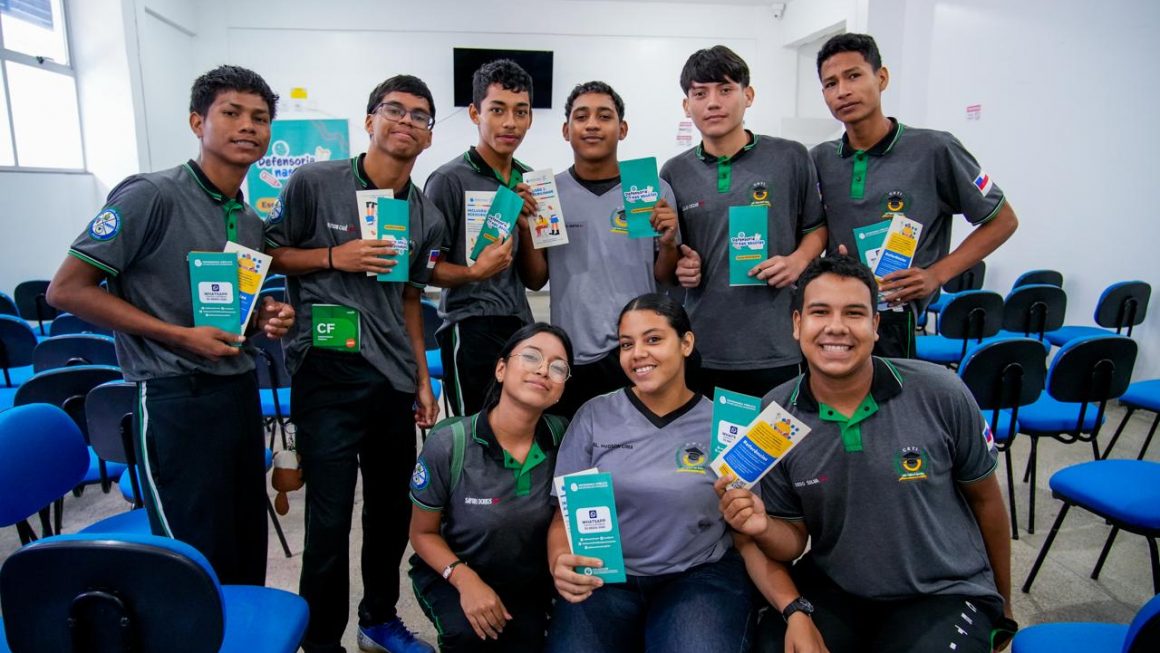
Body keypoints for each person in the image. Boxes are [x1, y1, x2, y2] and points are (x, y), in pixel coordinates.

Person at [46, 65, 294, 585]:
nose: (249, 126)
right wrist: (179, 336)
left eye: (261, 118)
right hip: (172, 397)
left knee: (245, 541)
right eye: (232, 113)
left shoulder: (249, 220)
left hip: (235, 393)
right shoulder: (150, 195)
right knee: (191, 555)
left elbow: (226, 314)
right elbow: (66, 290)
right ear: (196, 121)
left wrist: (262, 319)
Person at [716, 255, 1014, 653]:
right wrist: (761, 526)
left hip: (943, 591)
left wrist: (1004, 606)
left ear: (875, 326)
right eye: (820, 312)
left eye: (854, 313)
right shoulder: (775, 415)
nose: (836, 327)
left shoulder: (941, 392)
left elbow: (986, 500)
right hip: (838, 588)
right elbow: (792, 541)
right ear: (796, 324)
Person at [264, 75, 444, 653]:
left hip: (392, 378)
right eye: (394, 110)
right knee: (330, 520)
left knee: (391, 516)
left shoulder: (426, 215)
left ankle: (378, 620)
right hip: (326, 373)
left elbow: (412, 300)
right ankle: (320, 640)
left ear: (429, 136)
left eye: (420, 116)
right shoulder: (314, 183)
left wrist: (421, 378)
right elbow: (269, 251)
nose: (406, 122)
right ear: (369, 120)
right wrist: (332, 257)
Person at [545, 293, 753, 653]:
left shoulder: (728, 424)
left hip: (697, 575)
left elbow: (748, 529)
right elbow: (564, 516)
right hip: (604, 576)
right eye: (627, 344)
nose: (638, 353)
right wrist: (559, 561)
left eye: (653, 339)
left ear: (686, 343)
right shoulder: (594, 415)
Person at [811, 33, 1018, 358]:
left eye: (853, 76)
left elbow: (1003, 220)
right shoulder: (819, 159)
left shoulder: (935, 149)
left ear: (882, 78)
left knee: (891, 407)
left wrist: (937, 274)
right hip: (834, 317)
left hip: (896, 317)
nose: (843, 91)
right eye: (830, 84)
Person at [660, 45, 826, 399]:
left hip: (778, 343)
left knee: (777, 449)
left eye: (725, 89)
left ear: (748, 96)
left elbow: (816, 228)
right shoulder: (674, 172)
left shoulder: (790, 156)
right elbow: (676, 254)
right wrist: (683, 267)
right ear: (686, 105)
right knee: (709, 451)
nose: (713, 103)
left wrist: (797, 262)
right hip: (704, 345)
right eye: (700, 94)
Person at [516, 81, 679, 418]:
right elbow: (535, 280)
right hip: (575, 354)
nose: (592, 124)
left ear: (622, 129)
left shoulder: (652, 190)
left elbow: (664, 277)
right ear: (566, 130)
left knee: (636, 456)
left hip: (638, 353)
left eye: (604, 116)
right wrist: (527, 230)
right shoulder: (547, 194)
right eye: (581, 116)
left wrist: (667, 243)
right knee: (579, 458)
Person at [409, 323, 573, 652]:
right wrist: (464, 579)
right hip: (457, 570)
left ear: (560, 389)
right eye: (531, 357)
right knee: (469, 635)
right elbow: (422, 534)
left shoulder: (566, 438)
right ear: (501, 369)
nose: (543, 370)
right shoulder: (449, 443)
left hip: (527, 580)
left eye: (557, 367)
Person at [426, 59, 539, 417]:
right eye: (498, 110)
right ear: (475, 113)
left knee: (516, 429)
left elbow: (537, 279)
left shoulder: (532, 180)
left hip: (519, 326)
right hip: (468, 327)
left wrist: (525, 228)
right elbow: (425, 269)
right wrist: (474, 274)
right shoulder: (448, 180)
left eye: (520, 112)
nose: (510, 122)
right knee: (473, 435)